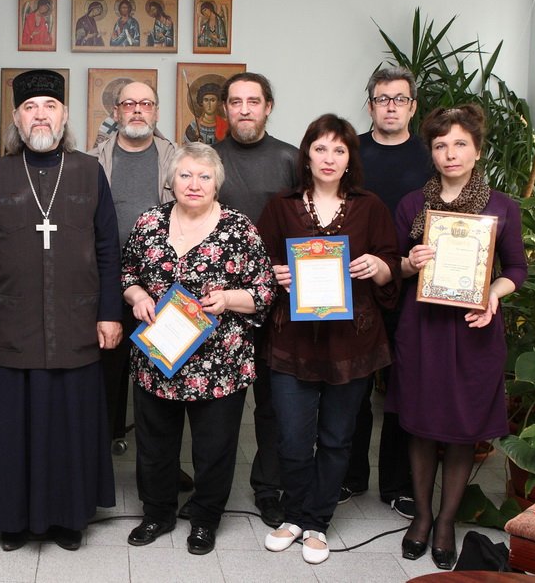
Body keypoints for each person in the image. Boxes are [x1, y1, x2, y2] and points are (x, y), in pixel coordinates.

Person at [0, 69, 122, 552]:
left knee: (70, 424)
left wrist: (110, 312)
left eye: (50, 106)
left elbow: (109, 249)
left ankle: (70, 517)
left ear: (64, 114)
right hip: (12, 321)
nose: (40, 116)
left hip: (76, 320)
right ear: (16, 118)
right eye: (30, 108)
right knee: (13, 426)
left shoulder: (89, 171)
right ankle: (12, 519)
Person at [257, 114, 400, 565]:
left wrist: (378, 267)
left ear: (349, 159)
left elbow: (391, 266)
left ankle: (317, 522)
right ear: (307, 155)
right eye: (320, 148)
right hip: (292, 341)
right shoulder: (280, 206)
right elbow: (258, 265)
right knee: (292, 438)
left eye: (339, 150)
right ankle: (294, 515)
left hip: (351, 342)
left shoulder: (370, 206)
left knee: (338, 438)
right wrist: (274, 273)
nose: (329, 158)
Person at [388, 104, 526, 571]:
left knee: (464, 429)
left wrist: (493, 294)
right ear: (431, 152)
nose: (450, 153)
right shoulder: (413, 205)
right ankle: (422, 517)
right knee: (421, 424)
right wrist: (410, 263)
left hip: (474, 330)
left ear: (477, 150)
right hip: (422, 329)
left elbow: (517, 269)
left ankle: (446, 521)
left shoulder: (502, 207)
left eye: (460, 144)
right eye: (441, 144)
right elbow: (394, 266)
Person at [122, 143, 274, 555]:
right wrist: (138, 297)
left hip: (219, 361)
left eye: (204, 176)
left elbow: (264, 290)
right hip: (158, 357)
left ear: (216, 183)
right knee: (155, 445)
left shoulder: (239, 228)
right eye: (185, 175)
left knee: (214, 448)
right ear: (171, 181)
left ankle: (205, 518)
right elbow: (128, 273)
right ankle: (157, 513)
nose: (194, 184)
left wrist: (227, 299)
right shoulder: (149, 222)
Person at [340, 66, 430, 518]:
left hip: (414, 287)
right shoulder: (349, 152)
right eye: (382, 99)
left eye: (399, 99)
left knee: (402, 386)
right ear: (370, 104)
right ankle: (349, 475)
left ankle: (397, 484)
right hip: (354, 285)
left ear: (413, 106)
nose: (390, 106)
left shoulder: (431, 156)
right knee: (351, 386)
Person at [212, 72, 296, 527]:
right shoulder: (210, 159)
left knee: (272, 401)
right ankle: (211, 491)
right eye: (236, 101)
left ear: (268, 106)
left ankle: (269, 488)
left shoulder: (291, 159)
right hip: (218, 301)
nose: (244, 109)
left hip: (277, 299)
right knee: (216, 405)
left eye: (253, 101)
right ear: (224, 108)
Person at [90, 81, 175, 445]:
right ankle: (103, 446)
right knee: (106, 367)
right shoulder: (92, 160)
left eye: (146, 103)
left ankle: (159, 460)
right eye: (129, 104)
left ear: (156, 111)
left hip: (160, 286)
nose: (137, 110)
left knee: (162, 373)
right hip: (105, 281)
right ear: (116, 112)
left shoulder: (177, 159)